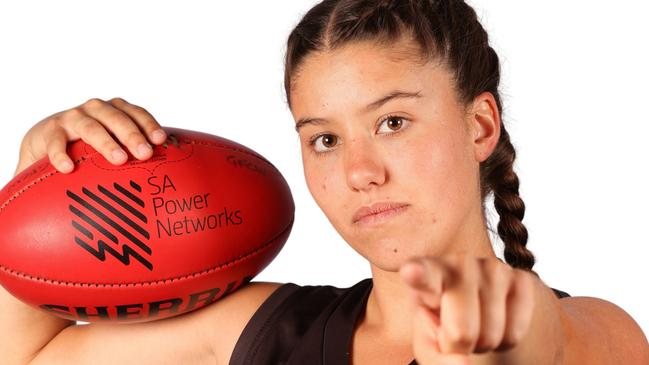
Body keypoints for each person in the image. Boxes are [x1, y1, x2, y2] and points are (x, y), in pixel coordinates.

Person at [1, 0, 648, 364]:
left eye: (393, 121)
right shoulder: (259, 328)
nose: (360, 172)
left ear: (479, 125)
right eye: (325, 139)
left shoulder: (588, 328)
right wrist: (36, 179)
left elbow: (538, 335)